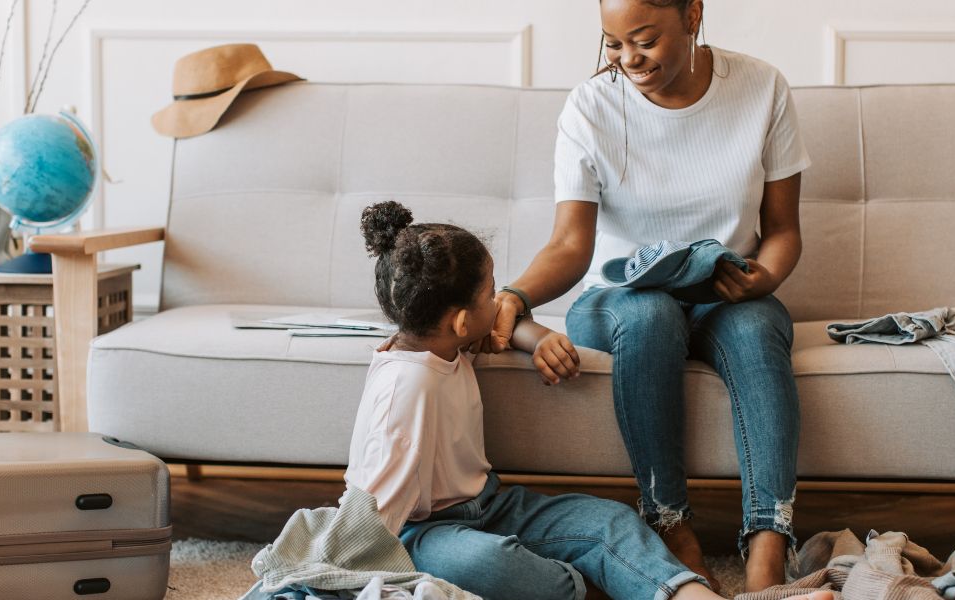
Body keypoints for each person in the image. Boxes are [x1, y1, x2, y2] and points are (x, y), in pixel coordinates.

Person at [481, 0, 812, 591]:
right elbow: (569, 245)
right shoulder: (591, 106)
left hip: (722, 294)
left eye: (644, 40)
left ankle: (768, 549)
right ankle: (671, 526)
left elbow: (783, 230)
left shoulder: (761, 87)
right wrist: (516, 294)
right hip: (619, 301)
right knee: (653, 311)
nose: (629, 60)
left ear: (692, 15)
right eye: (613, 43)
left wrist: (764, 277)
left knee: (758, 326)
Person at [347, 200, 724, 600]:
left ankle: (681, 592)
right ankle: (589, 589)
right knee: (484, 563)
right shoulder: (405, 388)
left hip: (491, 506)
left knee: (608, 520)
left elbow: (497, 322)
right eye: (492, 292)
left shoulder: (442, 339)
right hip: (425, 531)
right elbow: (372, 510)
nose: (499, 303)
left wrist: (540, 339)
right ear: (459, 322)